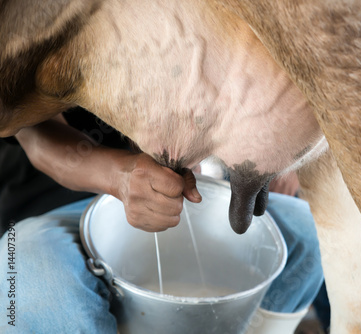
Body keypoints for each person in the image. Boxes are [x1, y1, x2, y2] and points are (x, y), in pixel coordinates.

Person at [0, 108, 323, 333]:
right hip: (55, 200)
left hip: (177, 189)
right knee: (27, 272)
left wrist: (285, 152)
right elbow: (35, 136)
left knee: (306, 232)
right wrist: (120, 177)